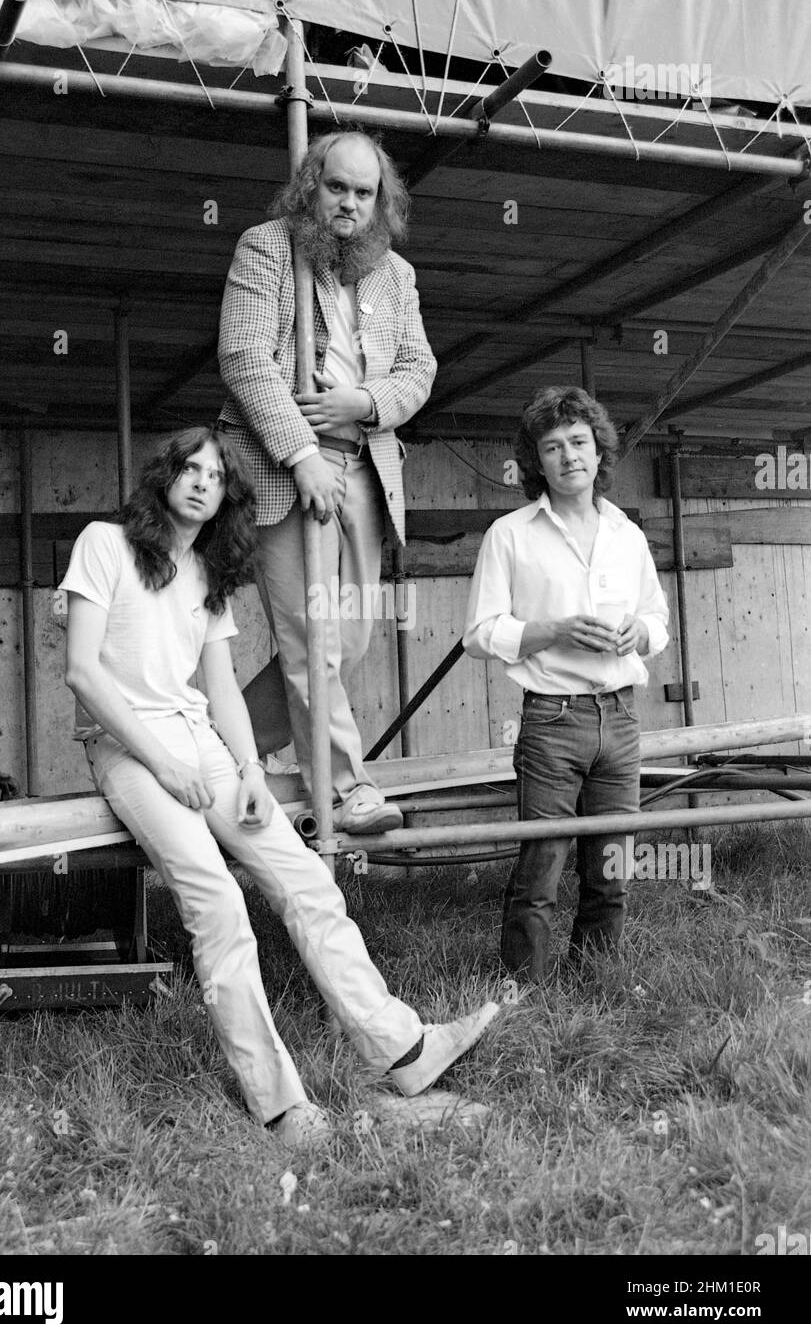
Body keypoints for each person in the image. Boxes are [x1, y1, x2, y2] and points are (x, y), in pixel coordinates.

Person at [60, 426, 497, 1146]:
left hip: (201, 744)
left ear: (227, 498)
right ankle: (281, 1104)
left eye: (215, 475)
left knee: (304, 879)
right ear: (164, 477)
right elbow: (82, 672)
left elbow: (222, 690)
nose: (201, 481)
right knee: (217, 900)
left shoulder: (203, 572)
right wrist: (160, 763)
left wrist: (251, 771)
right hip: (126, 749)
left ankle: (404, 1049)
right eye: (189, 468)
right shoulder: (104, 545)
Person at [217, 129, 436, 834]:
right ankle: (346, 788)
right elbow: (244, 357)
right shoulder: (264, 246)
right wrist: (299, 455)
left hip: (365, 466)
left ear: (381, 203)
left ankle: (220, 745)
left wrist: (365, 404)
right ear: (310, 185)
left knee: (351, 639)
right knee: (312, 633)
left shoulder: (395, 275)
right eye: (335, 186)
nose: (348, 202)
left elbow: (418, 370)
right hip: (287, 471)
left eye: (362, 192)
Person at [463, 387, 670, 981]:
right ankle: (523, 991)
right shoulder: (511, 534)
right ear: (537, 462)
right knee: (541, 868)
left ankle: (595, 981)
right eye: (552, 447)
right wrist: (550, 631)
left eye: (579, 442)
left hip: (621, 716)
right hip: (553, 718)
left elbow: (659, 619)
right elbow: (479, 633)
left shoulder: (626, 533)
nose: (568, 456)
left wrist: (639, 633)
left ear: (599, 451)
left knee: (612, 866)